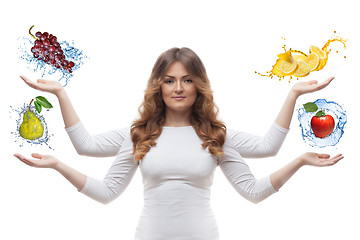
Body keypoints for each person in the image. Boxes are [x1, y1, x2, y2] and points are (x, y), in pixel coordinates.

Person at [14, 47, 343, 240]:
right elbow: (98, 175)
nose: (178, 88)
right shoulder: (139, 134)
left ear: (199, 85)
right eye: (169, 80)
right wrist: (60, 97)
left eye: (187, 79)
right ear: (158, 86)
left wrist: (294, 102)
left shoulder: (215, 135)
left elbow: (259, 176)